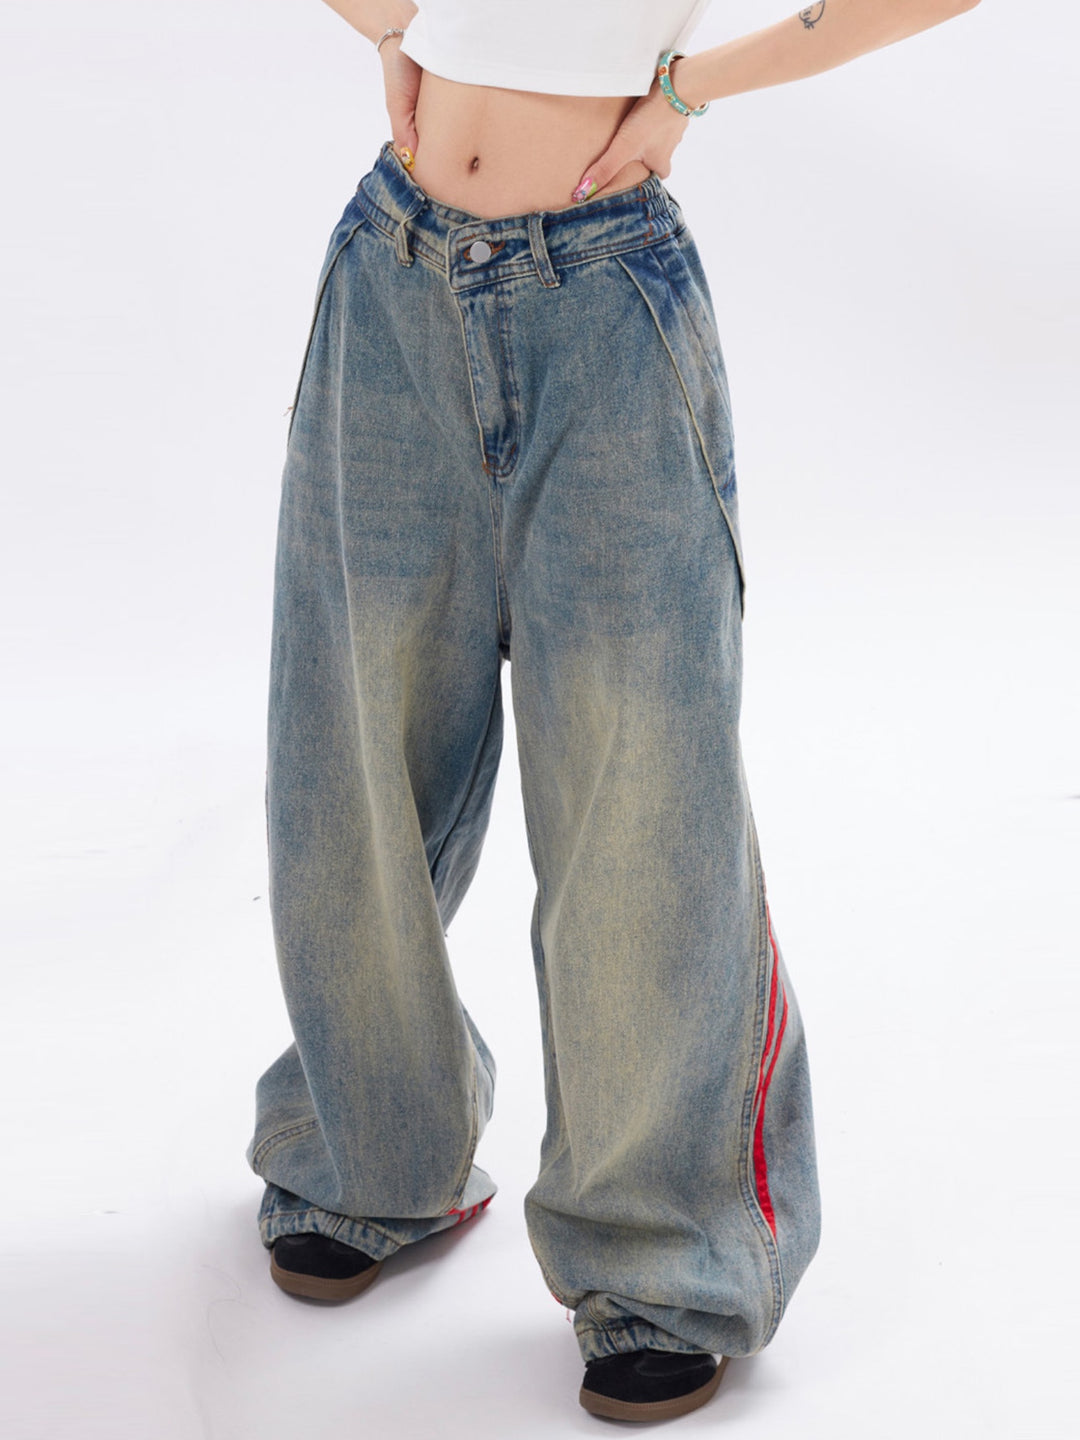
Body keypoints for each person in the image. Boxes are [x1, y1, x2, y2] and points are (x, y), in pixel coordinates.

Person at [246, 0, 981, 1421]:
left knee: (640, 795)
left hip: (607, 301)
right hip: (390, 273)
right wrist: (390, 26)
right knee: (348, 759)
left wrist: (693, 88)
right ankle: (365, 1156)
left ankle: (662, 1256)